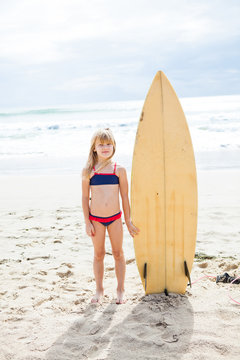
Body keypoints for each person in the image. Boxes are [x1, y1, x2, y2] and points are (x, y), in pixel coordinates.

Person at [82, 128, 139, 304]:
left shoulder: (118, 170)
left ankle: (120, 289)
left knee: (118, 253)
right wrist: (87, 222)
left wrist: (128, 221)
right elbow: (85, 198)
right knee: (98, 254)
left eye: (109, 144)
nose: (105, 147)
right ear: (94, 148)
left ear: (114, 146)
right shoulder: (89, 171)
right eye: (101, 144)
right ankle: (99, 289)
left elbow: (124, 197)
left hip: (115, 218)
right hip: (96, 220)